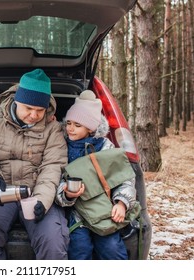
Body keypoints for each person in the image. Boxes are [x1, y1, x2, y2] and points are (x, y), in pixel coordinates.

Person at [0, 68, 69, 260]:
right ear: (16, 101)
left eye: (40, 110)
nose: (34, 115)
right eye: (28, 108)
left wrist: (42, 200)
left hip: (36, 194)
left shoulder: (53, 129)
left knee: (53, 240)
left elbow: (52, 167)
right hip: (2, 193)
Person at [55, 89, 137, 260]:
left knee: (112, 248)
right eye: (68, 123)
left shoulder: (105, 148)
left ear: (92, 128)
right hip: (75, 213)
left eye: (77, 125)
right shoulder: (61, 146)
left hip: (104, 211)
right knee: (79, 249)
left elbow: (124, 177)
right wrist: (66, 194)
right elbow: (53, 178)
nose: (70, 129)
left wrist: (121, 203)